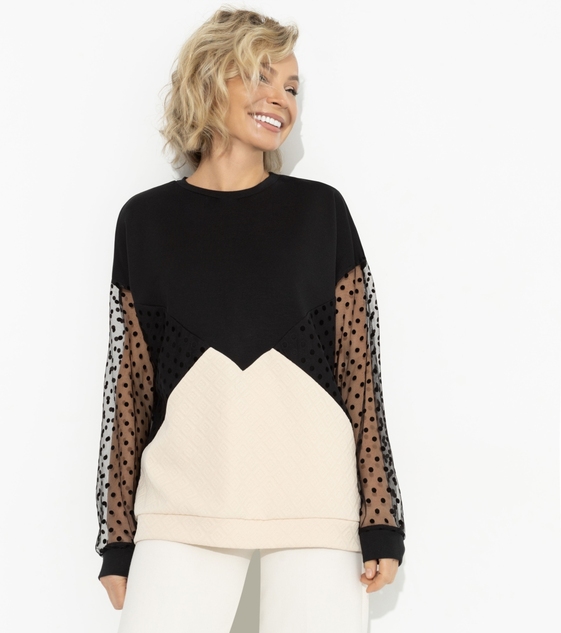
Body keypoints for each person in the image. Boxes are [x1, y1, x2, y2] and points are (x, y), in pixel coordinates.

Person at [95, 6, 406, 632]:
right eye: (262, 76)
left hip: (316, 501)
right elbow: (130, 385)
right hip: (183, 499)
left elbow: (359, 374)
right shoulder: (145, 221)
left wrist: (381, 519)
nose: (281, 99)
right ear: (211, 78)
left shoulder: (321, 212)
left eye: (291, 87)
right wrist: (118, 537)